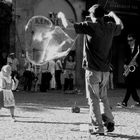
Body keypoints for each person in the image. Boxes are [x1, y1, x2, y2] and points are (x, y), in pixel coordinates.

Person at [58, 4, 124, 135]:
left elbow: (67, 26)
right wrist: (112, 14)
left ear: (93, 16)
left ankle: (98, 127)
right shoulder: (110, 27)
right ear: (103, 16)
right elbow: (121, 25)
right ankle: (109, 120)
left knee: (93, 99)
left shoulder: (90, 26)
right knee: (103, 97)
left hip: (93, 70)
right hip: (105, 71)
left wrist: (61, 15)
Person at [117, 34, 140, 107]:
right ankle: (138, 101)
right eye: (128, 41)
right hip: (130, 70)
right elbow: (125, 59)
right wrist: (125, 65)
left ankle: (124, 102)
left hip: (137, 71)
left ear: (134, 40)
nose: (129, 42)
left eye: (131, 40)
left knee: (130, 86)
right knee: (131, 87)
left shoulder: (138, 49)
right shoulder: (127, 48)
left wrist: (137, 63)